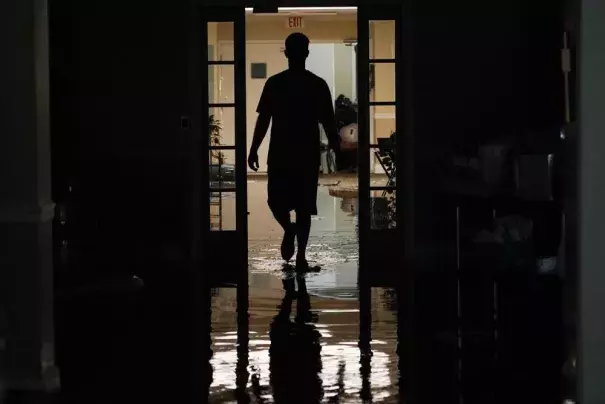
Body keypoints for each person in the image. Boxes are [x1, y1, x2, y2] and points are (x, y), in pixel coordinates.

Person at [248, 33, 340, 268]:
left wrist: (254, 148)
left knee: (276, 201)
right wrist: (336, 148)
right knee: (303, 208)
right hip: (306, 155)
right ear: (306, 53)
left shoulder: (275, 83)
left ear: (286, 53)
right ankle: (299, 253)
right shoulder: (317, 85)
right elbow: (328, 122)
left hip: (280, 153)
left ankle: (292, 237)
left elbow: (264, 120)